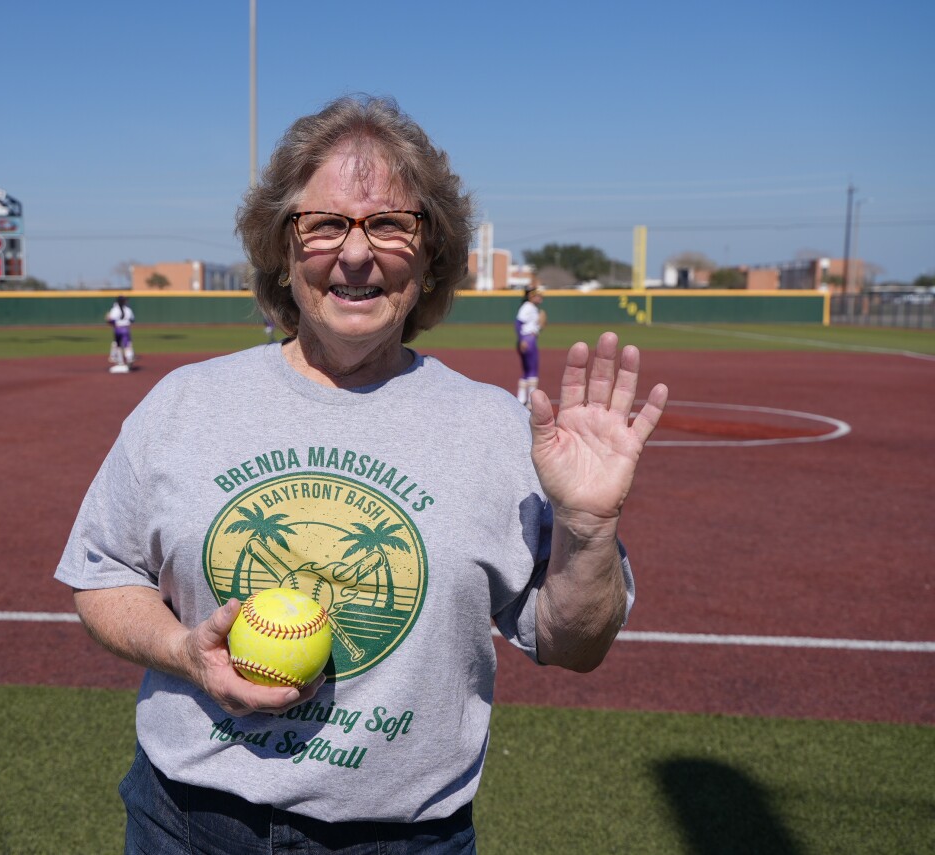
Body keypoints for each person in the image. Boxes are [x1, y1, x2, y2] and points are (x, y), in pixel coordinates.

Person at [55, 95, 668, 852]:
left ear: (431, 251)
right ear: (283, 248)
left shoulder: (497, 430)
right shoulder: (184, 401)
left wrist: (587, 526)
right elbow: (102, 572)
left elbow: (574, 643)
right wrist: (185, 652)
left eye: (388, 223)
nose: (354, 253)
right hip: (187, 822)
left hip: (402, 838)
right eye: (324, 224)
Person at [515, 284, 546, 409]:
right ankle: (531, 401)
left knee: (527, 371)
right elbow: (518, 323)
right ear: (531, 296)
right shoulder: (528, 307)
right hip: (528, 340)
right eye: (537, 295)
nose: (540, 297)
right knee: (533, 370)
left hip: (528, 339)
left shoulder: (531, 308)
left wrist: (540, 326)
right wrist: (522, 340)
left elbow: (533, 326)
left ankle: (521, 399)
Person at [106, 294, 135, 372]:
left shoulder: (115, 309)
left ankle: (120, 362)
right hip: (125, 329)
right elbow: (132, 320)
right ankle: (129, 358)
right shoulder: (128, 309)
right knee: (127, 345)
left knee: (118, 345)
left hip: (118, 329)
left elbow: (111, 320)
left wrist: (109, 319)